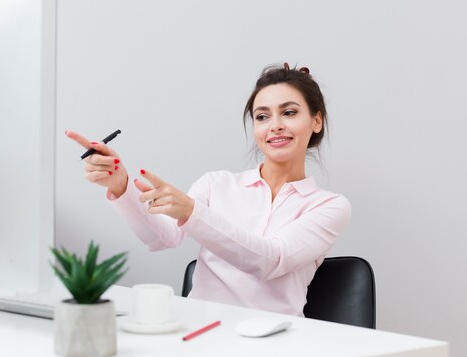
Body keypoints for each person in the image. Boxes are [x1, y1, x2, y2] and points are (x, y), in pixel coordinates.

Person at [65, 63, 351, 316]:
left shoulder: (329, 206)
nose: (275, 126)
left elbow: (270, 260)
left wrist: (193, 213)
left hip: (275, 341)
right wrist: (120, 185)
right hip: (200, 331)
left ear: (316, 120)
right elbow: (161, 237)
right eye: (262, 117)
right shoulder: (217, 184)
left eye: (288, 113)